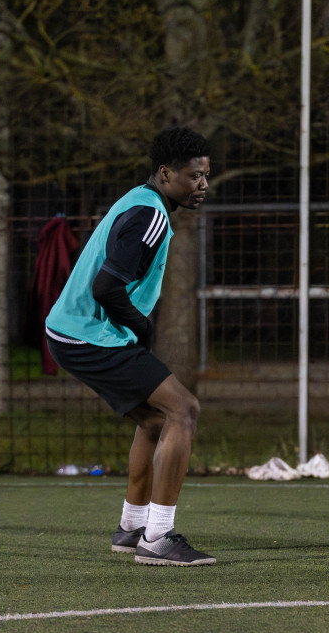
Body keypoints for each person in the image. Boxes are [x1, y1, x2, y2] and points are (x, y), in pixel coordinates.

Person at [46, 125, 215, 566]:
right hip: (89, 335)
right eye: (195, 176)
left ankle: (132, 527)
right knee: (184, 410)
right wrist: (140, 325)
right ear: (166, 173)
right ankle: (158, 538)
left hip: (72, 333)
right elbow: (105, 287)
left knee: (156, 418)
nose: (203, 185)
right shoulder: (150, 215)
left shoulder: (139, 200)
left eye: (205, 175)